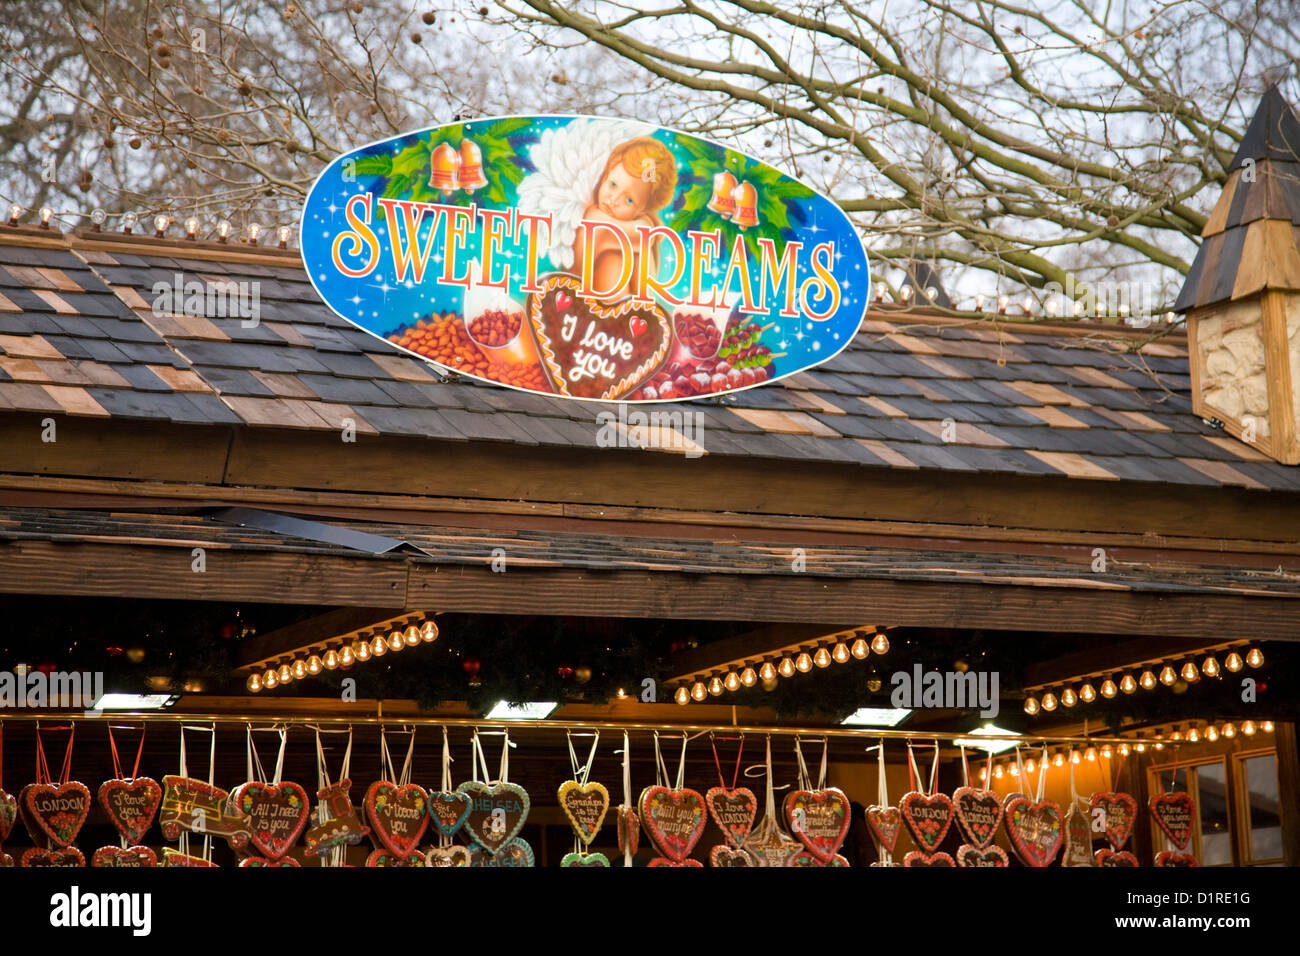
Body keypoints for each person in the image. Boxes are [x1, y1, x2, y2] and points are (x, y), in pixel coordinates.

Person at [573, 137, 677, 301]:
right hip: (575, 306)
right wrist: (648, 225)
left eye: (629, 200)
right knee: (615, 261)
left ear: (643, 209)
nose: (614, 200)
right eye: (613, 185)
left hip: (615, 313)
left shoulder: (638, 225)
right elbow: (645, 234)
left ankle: (639, 316)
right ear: (605, 176)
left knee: (635, 256)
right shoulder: (594, 217)